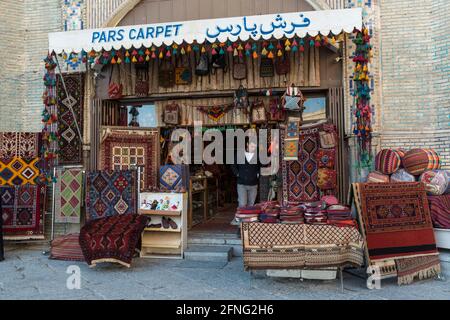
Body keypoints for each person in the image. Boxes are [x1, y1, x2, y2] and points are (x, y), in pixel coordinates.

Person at [231, 140, 270, 208]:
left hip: (253, 184)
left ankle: (247, 218)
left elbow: (263, 165)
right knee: (242, 204)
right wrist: (237, 174)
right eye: (252, 146)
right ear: (247, 144)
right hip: (242, 183)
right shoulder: (240, 154)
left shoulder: (258, 155)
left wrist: (258, 173)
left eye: (254, 147)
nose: (253, 148)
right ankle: (239, 218)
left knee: (251, 205)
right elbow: (233, 165)